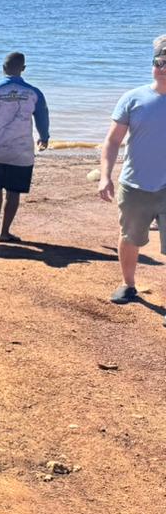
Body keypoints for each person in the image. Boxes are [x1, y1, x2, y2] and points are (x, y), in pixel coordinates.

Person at [98, 35, 166, 315]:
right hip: (135, 184)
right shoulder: (133, 98)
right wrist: (105, 175)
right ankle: (128, 284)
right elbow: (113, 141)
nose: (162, 67)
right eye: (158, 61)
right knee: (130, 237)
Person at [0, 52, 50, 242]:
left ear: (3, 68)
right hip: (21, 149)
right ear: (23, 69)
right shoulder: (34, 93)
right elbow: (42, 117)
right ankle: (5, 232)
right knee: (13, 191)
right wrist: (44, 137)